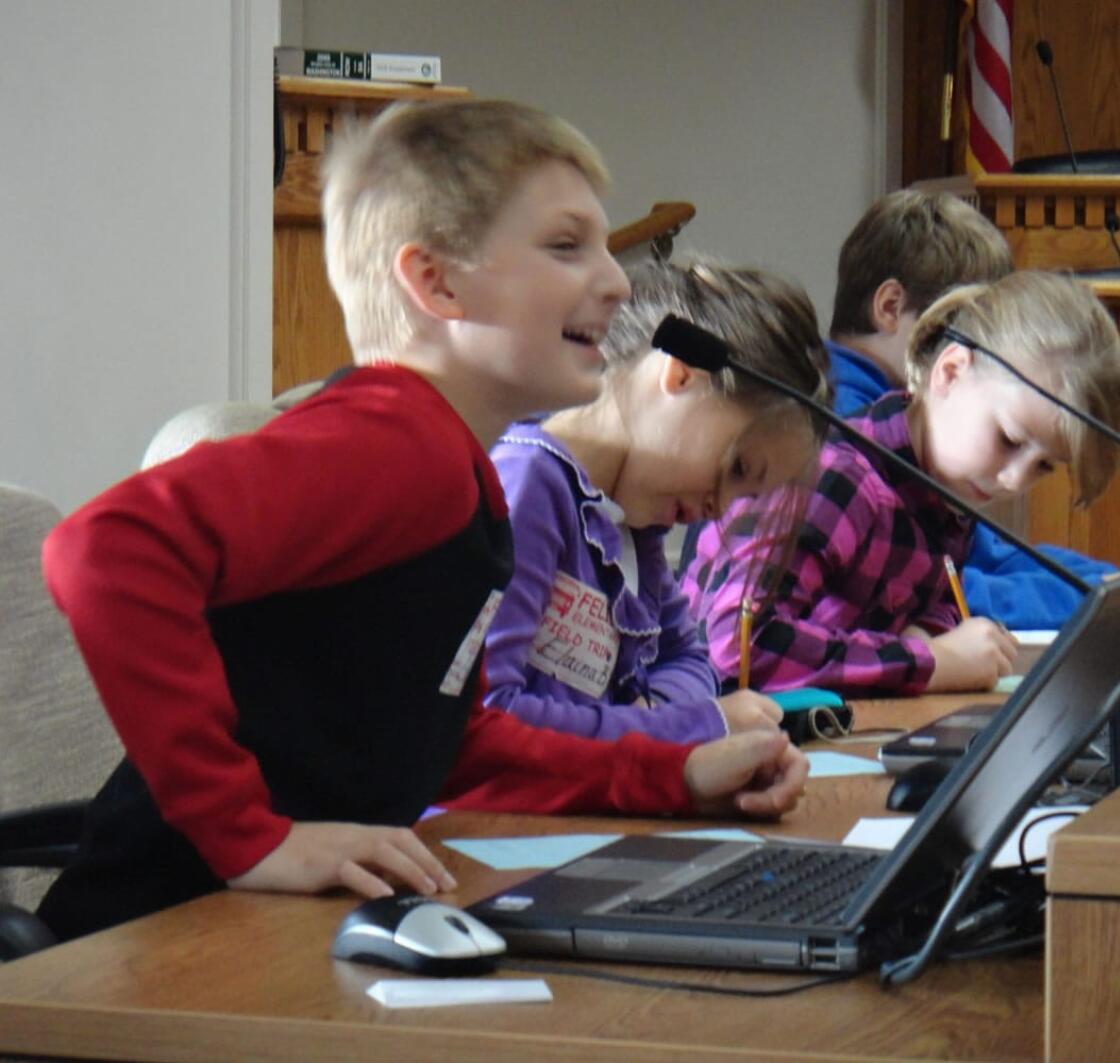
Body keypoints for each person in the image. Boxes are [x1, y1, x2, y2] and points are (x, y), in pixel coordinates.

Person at [35, 99, 807, 943]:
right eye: (564, 244)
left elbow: (453, 743)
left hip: (260, 932)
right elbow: (105, 549)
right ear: (436, 282)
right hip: (158, 938)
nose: (618, 279)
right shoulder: (395, 443)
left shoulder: (458, 471)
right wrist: (245, 835)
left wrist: (677, 773)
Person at [683, 270, 1120, 696]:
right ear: (950, 372)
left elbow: (922, 605)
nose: (1014, 479)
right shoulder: (839, 476)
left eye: (1044, 466)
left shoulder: (942, 495)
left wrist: (929, 631)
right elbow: (737, 647)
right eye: (1008, 439)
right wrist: (929, 661)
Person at [483, 256, 828, 744]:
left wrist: (655, 711)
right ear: (682, 376)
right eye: (738, 469)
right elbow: (492, 716)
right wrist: (670, 726)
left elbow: (691, 660)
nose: (721, 509)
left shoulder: (634, 522)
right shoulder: (527, 485)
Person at [823, 188, 1120, 630]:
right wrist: (1096, 596)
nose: (1014, 479)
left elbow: (992, 553)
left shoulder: (927, 439)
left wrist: (1109, 583)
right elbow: (939, 589)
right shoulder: (836, 430)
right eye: (957, 325)